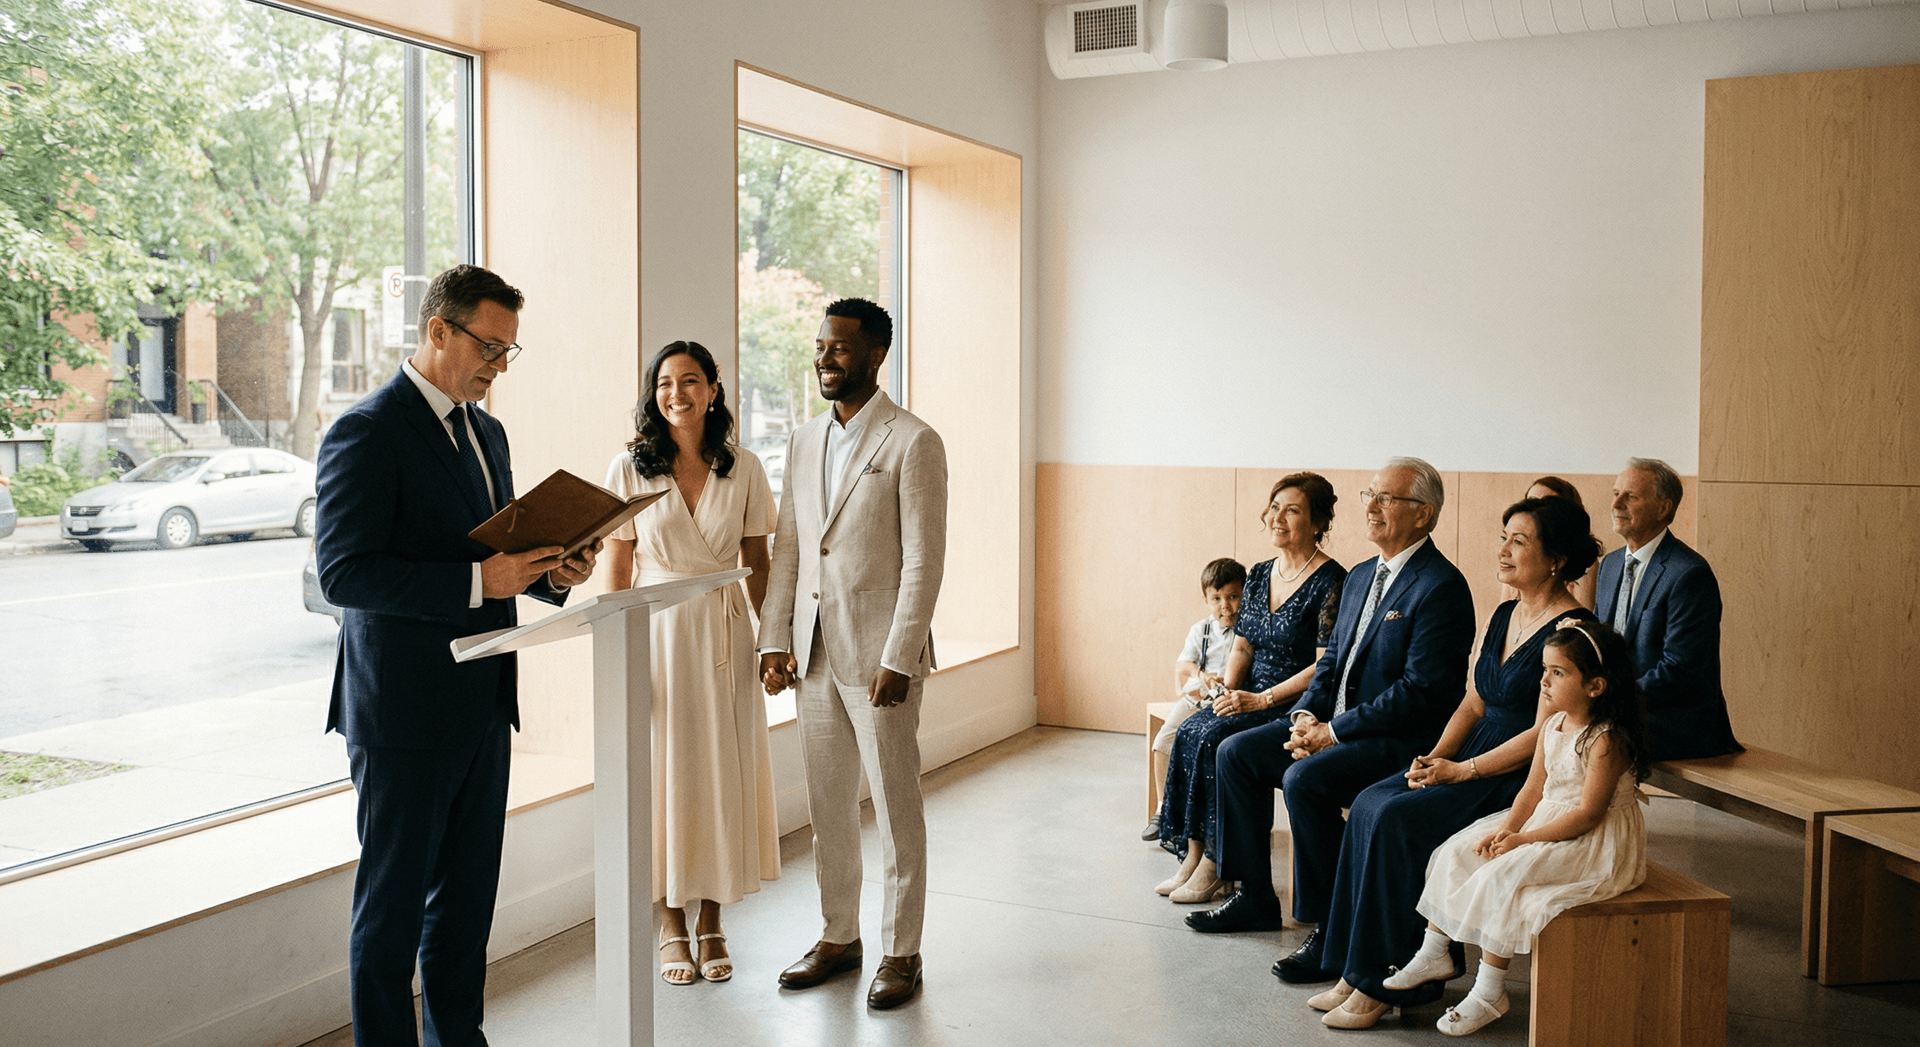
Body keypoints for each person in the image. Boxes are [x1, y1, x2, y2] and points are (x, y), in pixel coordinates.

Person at [316, 264, 597, 1047]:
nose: (499, 365)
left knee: (467, 904)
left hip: (481, 702)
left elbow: (495, 553)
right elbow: (345, 572)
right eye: (489, 346)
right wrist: (481, 580)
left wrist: (550, 573)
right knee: (392, 910)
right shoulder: (365, 430)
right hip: (403, 712)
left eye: (510, 351)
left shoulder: (488, 430)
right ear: (438, 330)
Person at [1307, 496, 1601, 1029]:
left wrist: (1462, 771)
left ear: (1556, 557)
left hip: (1516, 773)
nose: (1503, 549)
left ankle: (1387, 982)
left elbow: (1541, 735)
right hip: (1471, 751)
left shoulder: (1572, 631)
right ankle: (1357, 967)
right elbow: (1472, 701)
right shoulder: (1507, 611)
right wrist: (1434, 758)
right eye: (1503, 536)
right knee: (1376, 799)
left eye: (1520, 541)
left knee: (1398, 820)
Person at [1188, 459, 1474, 970]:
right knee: (1236, 751)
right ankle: (1255, 895)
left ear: (1424, 515)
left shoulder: (1441, 587)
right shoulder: (1363, 575)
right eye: (1370, 493)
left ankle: (1329, 930)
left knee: (1305, 780)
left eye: (1388, 498)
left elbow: (1419, 692)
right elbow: (1331, 664)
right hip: (1333, 725)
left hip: (1395, 738)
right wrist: (1303, 718)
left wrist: (1334, 732)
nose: (1372, 505)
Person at [757, 297, 947, 1011]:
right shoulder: (805, 439)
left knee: (897, 809)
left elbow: (925, 561)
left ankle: (902, 950)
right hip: (810, 654)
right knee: (827, 805)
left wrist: (901, 654)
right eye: (818, 346)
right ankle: (839, 936)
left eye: (839, 348)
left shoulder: (913, 440)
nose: (824, 358)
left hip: (880, 661)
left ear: (875, 355)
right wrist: (773, 638)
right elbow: (792, 549)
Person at [603, 341, 780, 986]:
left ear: (713, 389)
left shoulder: (746, 468)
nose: (677, 394)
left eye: (690, 381)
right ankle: (670, 921)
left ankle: (712, 917)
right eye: (665, 384)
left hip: (727, 632)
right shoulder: (629, 468)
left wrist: (774, 640)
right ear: (654, 394)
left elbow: (757, 562)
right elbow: (617, 567)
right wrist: (618, 651)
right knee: (665, 776)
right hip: (657, 635)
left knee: (719, 774)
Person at [1383, 620, 1650, 1037]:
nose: (1543, 681)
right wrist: (1505, 830)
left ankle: (1490, 990)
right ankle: (1435, 950)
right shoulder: (1551, 726)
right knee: (1459, 850)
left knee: (1504, 875)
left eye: (1557, 673)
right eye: (1544, 670)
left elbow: (1588, 815)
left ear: (1595, 686)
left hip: (1593, 841)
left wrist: (1523, 840)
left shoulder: (1605, 739)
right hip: (1547, 820)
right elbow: (1532, 790)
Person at [1155, 476, 1344, 904]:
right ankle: (1195, 854)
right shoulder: (1258, 574)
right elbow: (1242, 643)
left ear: (1318, 521)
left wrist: (1261, 700)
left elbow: (1323, 664)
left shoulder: (1332, 580)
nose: (1276, 517)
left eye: (1292, 510)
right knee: (1193, 730)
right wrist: (1229, 692)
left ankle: (1220, 867)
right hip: (1249, 693)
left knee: (1224, 741)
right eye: (1274, 506)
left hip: (1295, 703)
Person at [1594, 458, 1741, 760]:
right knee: (1553, 722)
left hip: (1675, 720)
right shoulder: (1609, 565)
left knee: (1591, 738)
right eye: (1615, 493)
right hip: (1622, 710)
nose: (1616, 504)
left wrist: (1608, 699)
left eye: (1630, 496)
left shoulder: (1688, 574)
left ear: (1663, 508)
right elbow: (1601, 646)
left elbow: (1680, 671)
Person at [1142, 556, 1247, 842]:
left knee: (1205, 749)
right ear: (1206, 600)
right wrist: (1202, 675)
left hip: (1228, 702)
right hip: (1198, 697)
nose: (1225, 606)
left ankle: (1201, 821)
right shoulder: (1201, 630)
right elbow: (1184, 664)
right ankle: (1164, 810)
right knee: (1163, 742)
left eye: (1233, 597)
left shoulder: (1248, 628)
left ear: (1244, 594)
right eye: (1216, 599)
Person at [1502, 476, 1596, 609]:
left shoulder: (1585, 565)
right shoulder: (1515, 562)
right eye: (1530, 502)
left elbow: (1582, 620)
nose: (1535, 510)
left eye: (1545, 504)